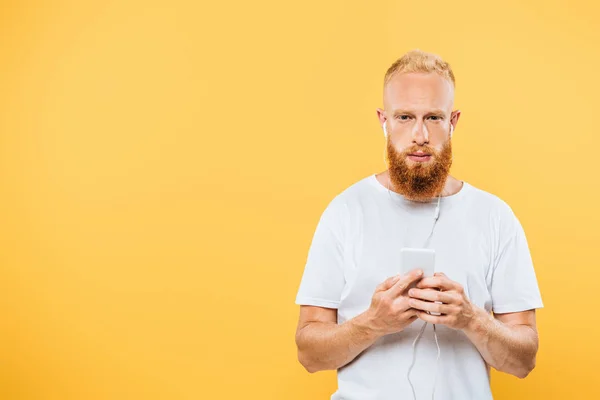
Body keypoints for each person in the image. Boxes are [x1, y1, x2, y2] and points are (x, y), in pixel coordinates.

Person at [294, 49, 543, 400]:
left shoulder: (495, 217)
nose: (420, 135)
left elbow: (523, 361)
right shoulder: (345, 212)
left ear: (453, 121)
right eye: (405, 117)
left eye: (434, 118)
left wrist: (471, 318)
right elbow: (308, 354)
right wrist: (374, 322)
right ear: (384, 121)